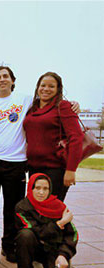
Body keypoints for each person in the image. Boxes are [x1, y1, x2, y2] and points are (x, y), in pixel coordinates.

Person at [0, 65, 79, 264]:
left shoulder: (26, 101)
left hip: (16, 163)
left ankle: (10, 246)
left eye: (6, 76)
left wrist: (73, 103)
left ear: (13, 80)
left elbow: (54, 103)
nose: (2, 79)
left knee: (14, 209)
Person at [23, 72, 83, 201]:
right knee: (36, 210)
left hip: (55, 169)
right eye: (43, 85)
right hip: (34, 168)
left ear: (58, 89)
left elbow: (76, 138)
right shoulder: (32, 108)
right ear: (37, 87)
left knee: (51, 210)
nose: (46, 89)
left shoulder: (63, 106)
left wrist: (71, 170)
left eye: (51, 86)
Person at [15, 173, 78, 268]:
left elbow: (72, 234)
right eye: (37, 188)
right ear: (31, 188)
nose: (41, 192)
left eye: (45, 189)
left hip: (53, 248)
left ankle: (46, 264)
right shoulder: (22, 207)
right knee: (25, 234)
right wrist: (60, 223)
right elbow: (38, 232)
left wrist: (64, 254)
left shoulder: (59, 207)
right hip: (34, 247)